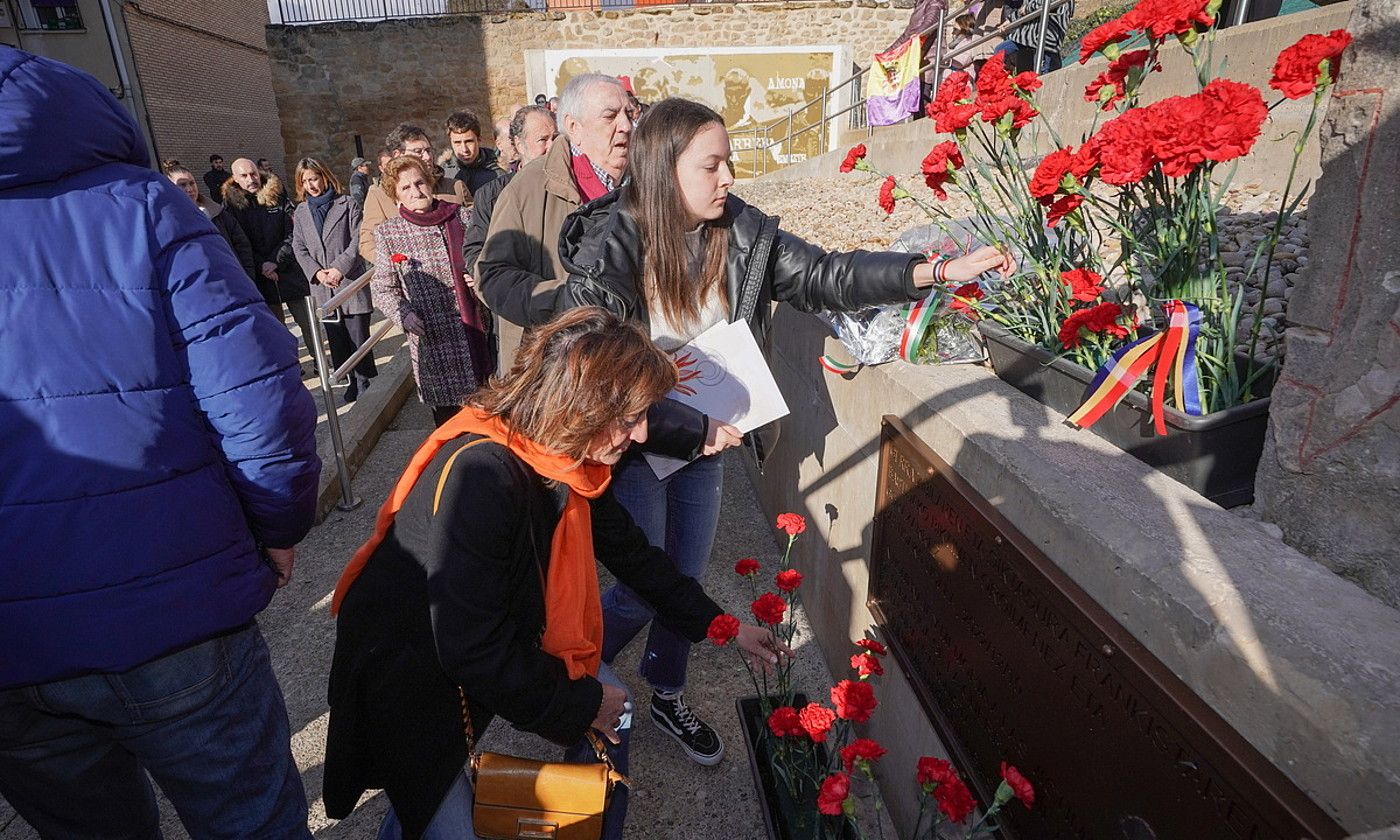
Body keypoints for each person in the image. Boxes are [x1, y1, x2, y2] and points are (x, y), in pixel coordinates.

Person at [555, 97, 1016, 765]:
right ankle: (573, 672)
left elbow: (828, 276)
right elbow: (593, 373)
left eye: (729, 163)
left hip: (705, 443)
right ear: (663, 169)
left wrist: (934, 271)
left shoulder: (741, 231)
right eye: (712, 166)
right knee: (641, 582)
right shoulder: (612, 249)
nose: (729, 179)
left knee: (684, 572)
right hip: (635, 446)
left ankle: (668, 688)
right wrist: (686, 426)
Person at [0, 46, 320, 838]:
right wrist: (277, 527)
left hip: (15, 642)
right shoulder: (140, 203)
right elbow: (259, 393)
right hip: (173, 610)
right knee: (252, 821)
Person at [322, 306, 785, 840]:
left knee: (612, 713)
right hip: (410, 678)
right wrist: (582, 702)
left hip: (468, 656)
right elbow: (471, 646)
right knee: (431, 801)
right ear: (582, 405)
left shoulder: (567, 462)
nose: (639, 436)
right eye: (630, 417)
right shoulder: (483, 474)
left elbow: (636, 558)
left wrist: (724, 626)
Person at [476, 74, 631, 337]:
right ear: (574, 127)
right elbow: (491, 276)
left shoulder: (646, 180)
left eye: (629, 113)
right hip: (561, 358)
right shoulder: (527, 187)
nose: (626, 125)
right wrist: (563, 301)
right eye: (610, 116)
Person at [372, 155, 492, 427]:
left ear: (430, 182)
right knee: (449, 424)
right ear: (396, 196)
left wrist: (480, 277)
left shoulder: (462, 216)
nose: (416, 191)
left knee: (487, 417)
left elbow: (488, 260)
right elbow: (382, 288)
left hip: (476, 332)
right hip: (432, 341)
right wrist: (404, 314)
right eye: (406, 188)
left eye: (420, 182)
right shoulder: (389, 233)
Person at [291, 157, 379, 403]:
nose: (311, 185)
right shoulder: (301, 212)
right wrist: (317, 272)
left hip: (348, 281)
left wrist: (339, 268)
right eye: (305, 181)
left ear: (324, 176)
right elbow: (299, 247)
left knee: (357, 335)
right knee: (336, 338)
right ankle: (350, 380)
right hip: (323, 286)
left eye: (314, 178)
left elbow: (358, 239)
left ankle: (364, 381)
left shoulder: (347, 204)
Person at [224, 157, 316, 365]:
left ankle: (319, 359)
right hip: (260, 278)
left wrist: (276, 260)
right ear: (235, 178)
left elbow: (294, 232)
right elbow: (238, 243)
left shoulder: (277, 195)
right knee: (276, 328)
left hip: (289, 270)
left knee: (307, 322)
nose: (251, 179)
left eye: (253, 173)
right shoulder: (231, 208)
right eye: (244, 175)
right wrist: (262, 265)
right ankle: (291, 364)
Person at [463, 104, 557, 281]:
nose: (552, 146)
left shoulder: (573, 187)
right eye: (543, 140)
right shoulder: (492, 194)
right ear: (520, 145)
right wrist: (496, 287)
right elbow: (476, 250)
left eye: (556, 138)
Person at [359, 123, 463, 263]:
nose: (427, 157)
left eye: (428, 150)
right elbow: (368, 243)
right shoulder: (379, 195)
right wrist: (396, 266)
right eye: (418, 151)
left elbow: (477, 232)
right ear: (397, 155)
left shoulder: (455, 187)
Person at [164, 161, 257, 282]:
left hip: (234, 281)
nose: (189, 189)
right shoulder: (168, 223)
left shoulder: (218, 213)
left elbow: (242, 245)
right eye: (182, 185)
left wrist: (247, 277)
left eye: (192, 183)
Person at [441, 109, 506, 200]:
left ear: (479, 140)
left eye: (469, 142)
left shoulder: (498, 173)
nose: (464, 149)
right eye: (457, 143)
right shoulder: (444, 174)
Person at [995, 0, 1072, 74]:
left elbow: (1046, 3)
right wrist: (1010, 20)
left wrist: (1026, 9)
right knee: (999, 52)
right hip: (1026, 36)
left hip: (1048, 38)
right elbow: (1024, 9)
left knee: (1045, 74)